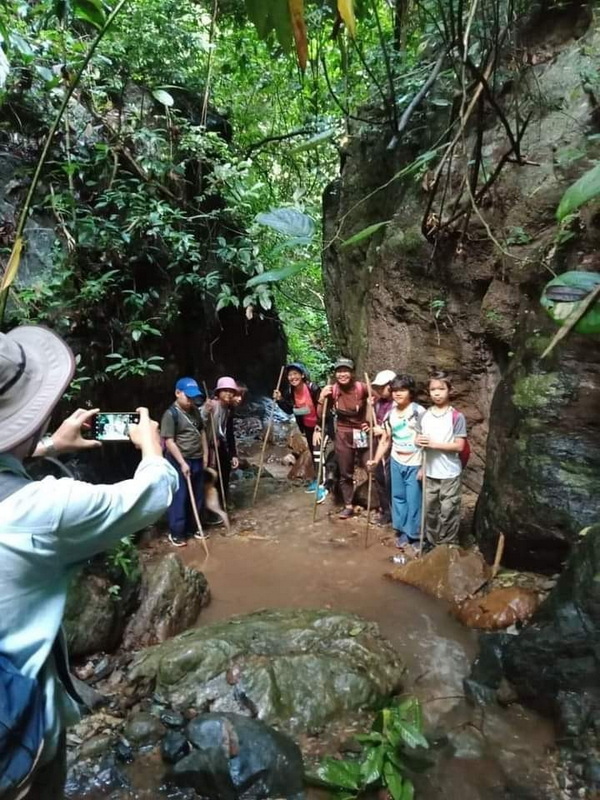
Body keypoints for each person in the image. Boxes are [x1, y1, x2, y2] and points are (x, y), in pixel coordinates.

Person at [0, 325, 178, 799]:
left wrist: (48, 447)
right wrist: (151, 448)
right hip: (14, 736)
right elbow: (151, 495)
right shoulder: (40, 509)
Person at [368, 375, 425, 549]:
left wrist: (424, 466)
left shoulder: (419, 412)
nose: (398, 394)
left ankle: (414, 535)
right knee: (398, 497)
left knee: (414, 499)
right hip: (396, 460)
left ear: (411, 392)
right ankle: (401, 531)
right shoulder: (391, 414)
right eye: (395, 390)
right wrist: (376, 460)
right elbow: (385, 439)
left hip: (415, 461)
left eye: (402, 390)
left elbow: (427, 441)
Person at [416, 370, 467, 546]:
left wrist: (433, 444)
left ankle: (448, 544)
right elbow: (417, 439)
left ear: (449, 390)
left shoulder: (456, 416)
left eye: (441, 389)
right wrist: (419, 441)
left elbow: (459, 446)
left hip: (450, 473)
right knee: (430, 510)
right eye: (433, 389)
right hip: (430, 472)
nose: (437, 393)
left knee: (448, 510)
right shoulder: (424, 415)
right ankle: (432, 542)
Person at [317, 358, 368, 520]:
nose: (342, 374)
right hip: (343, 432)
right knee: (345, 471)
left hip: (360, 431)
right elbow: (320, 415)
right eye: (339, 371)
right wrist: (321, 398)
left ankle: (377, 503)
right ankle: (348, 505)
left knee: (368, 465)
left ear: (352, 373)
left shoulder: (362, 388)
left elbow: (379, 401)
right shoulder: (333, 390)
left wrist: (371, 421)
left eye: (346, 370)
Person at [160, 377, 209, 547]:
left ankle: (194, 527)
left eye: (192, 397)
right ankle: (177, 532)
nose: (190, 401)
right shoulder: (170, 414)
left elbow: (201, 431)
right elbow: (169, 441)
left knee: (197, 495)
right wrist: (182, 463)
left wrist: (205, 455)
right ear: (177, 393)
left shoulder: (194, 411)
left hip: (196, 458)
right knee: (180, 496)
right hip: (179, 460)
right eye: (187, 397)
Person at [273, 363, 327, 504]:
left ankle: (324, 485)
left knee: (318, 453)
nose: (293, 377)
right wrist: (279, 400)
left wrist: (319, 427)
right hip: (307, 427)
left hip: (320, 425)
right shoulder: (290, 392)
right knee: (314, 453)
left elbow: (323, 408)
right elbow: (291, 410)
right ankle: (317, 480)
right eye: (290, 375)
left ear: (302, 375)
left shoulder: (313, 388)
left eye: (296, 374)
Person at [202, 376, 240, 505]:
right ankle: (210, 506)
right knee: (210, 477)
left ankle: (222, 502)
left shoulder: (228, 409)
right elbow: (199, 423)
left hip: (220, 443)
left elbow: (229, 433)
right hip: (207, 446)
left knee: (225, 471)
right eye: (225, 390)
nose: (228, 394)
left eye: (231, 391)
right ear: (218, 392)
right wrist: (205, 412)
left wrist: (233, 454)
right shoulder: (212, 405)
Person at [368, 369, 396, 525]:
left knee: (391, 481)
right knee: (379, 477)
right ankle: (386, 511)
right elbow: (369, 421)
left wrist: (384, 431)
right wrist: (369, 407)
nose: (379, 391)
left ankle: (395, 513)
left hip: (393, 448)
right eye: (377, 387)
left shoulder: (398, 404)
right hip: (379, 445)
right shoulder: (378, 403)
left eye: (382, 387)